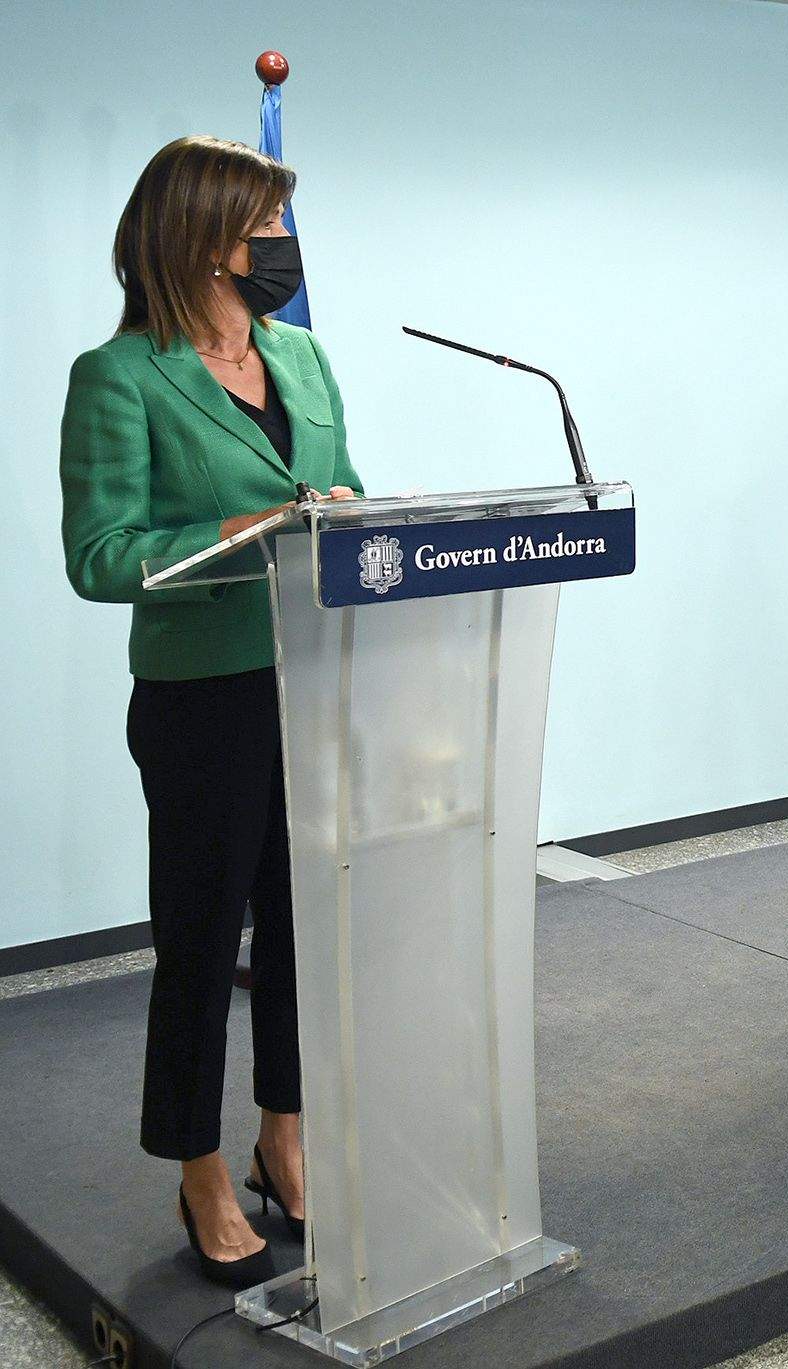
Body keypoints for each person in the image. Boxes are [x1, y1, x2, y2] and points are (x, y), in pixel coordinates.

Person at [59, 136, 362, 1288]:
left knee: (303, 935)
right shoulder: (120, 374)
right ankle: (193, 1165)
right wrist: (231, 534)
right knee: (199, 944)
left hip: (318, 678)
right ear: (200, 236)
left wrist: (341, 512)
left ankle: (283, 1135)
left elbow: (348, 493)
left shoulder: (307, 358)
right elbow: (99, 556)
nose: (279, 247)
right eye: (262, 227)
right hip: (203, 702)